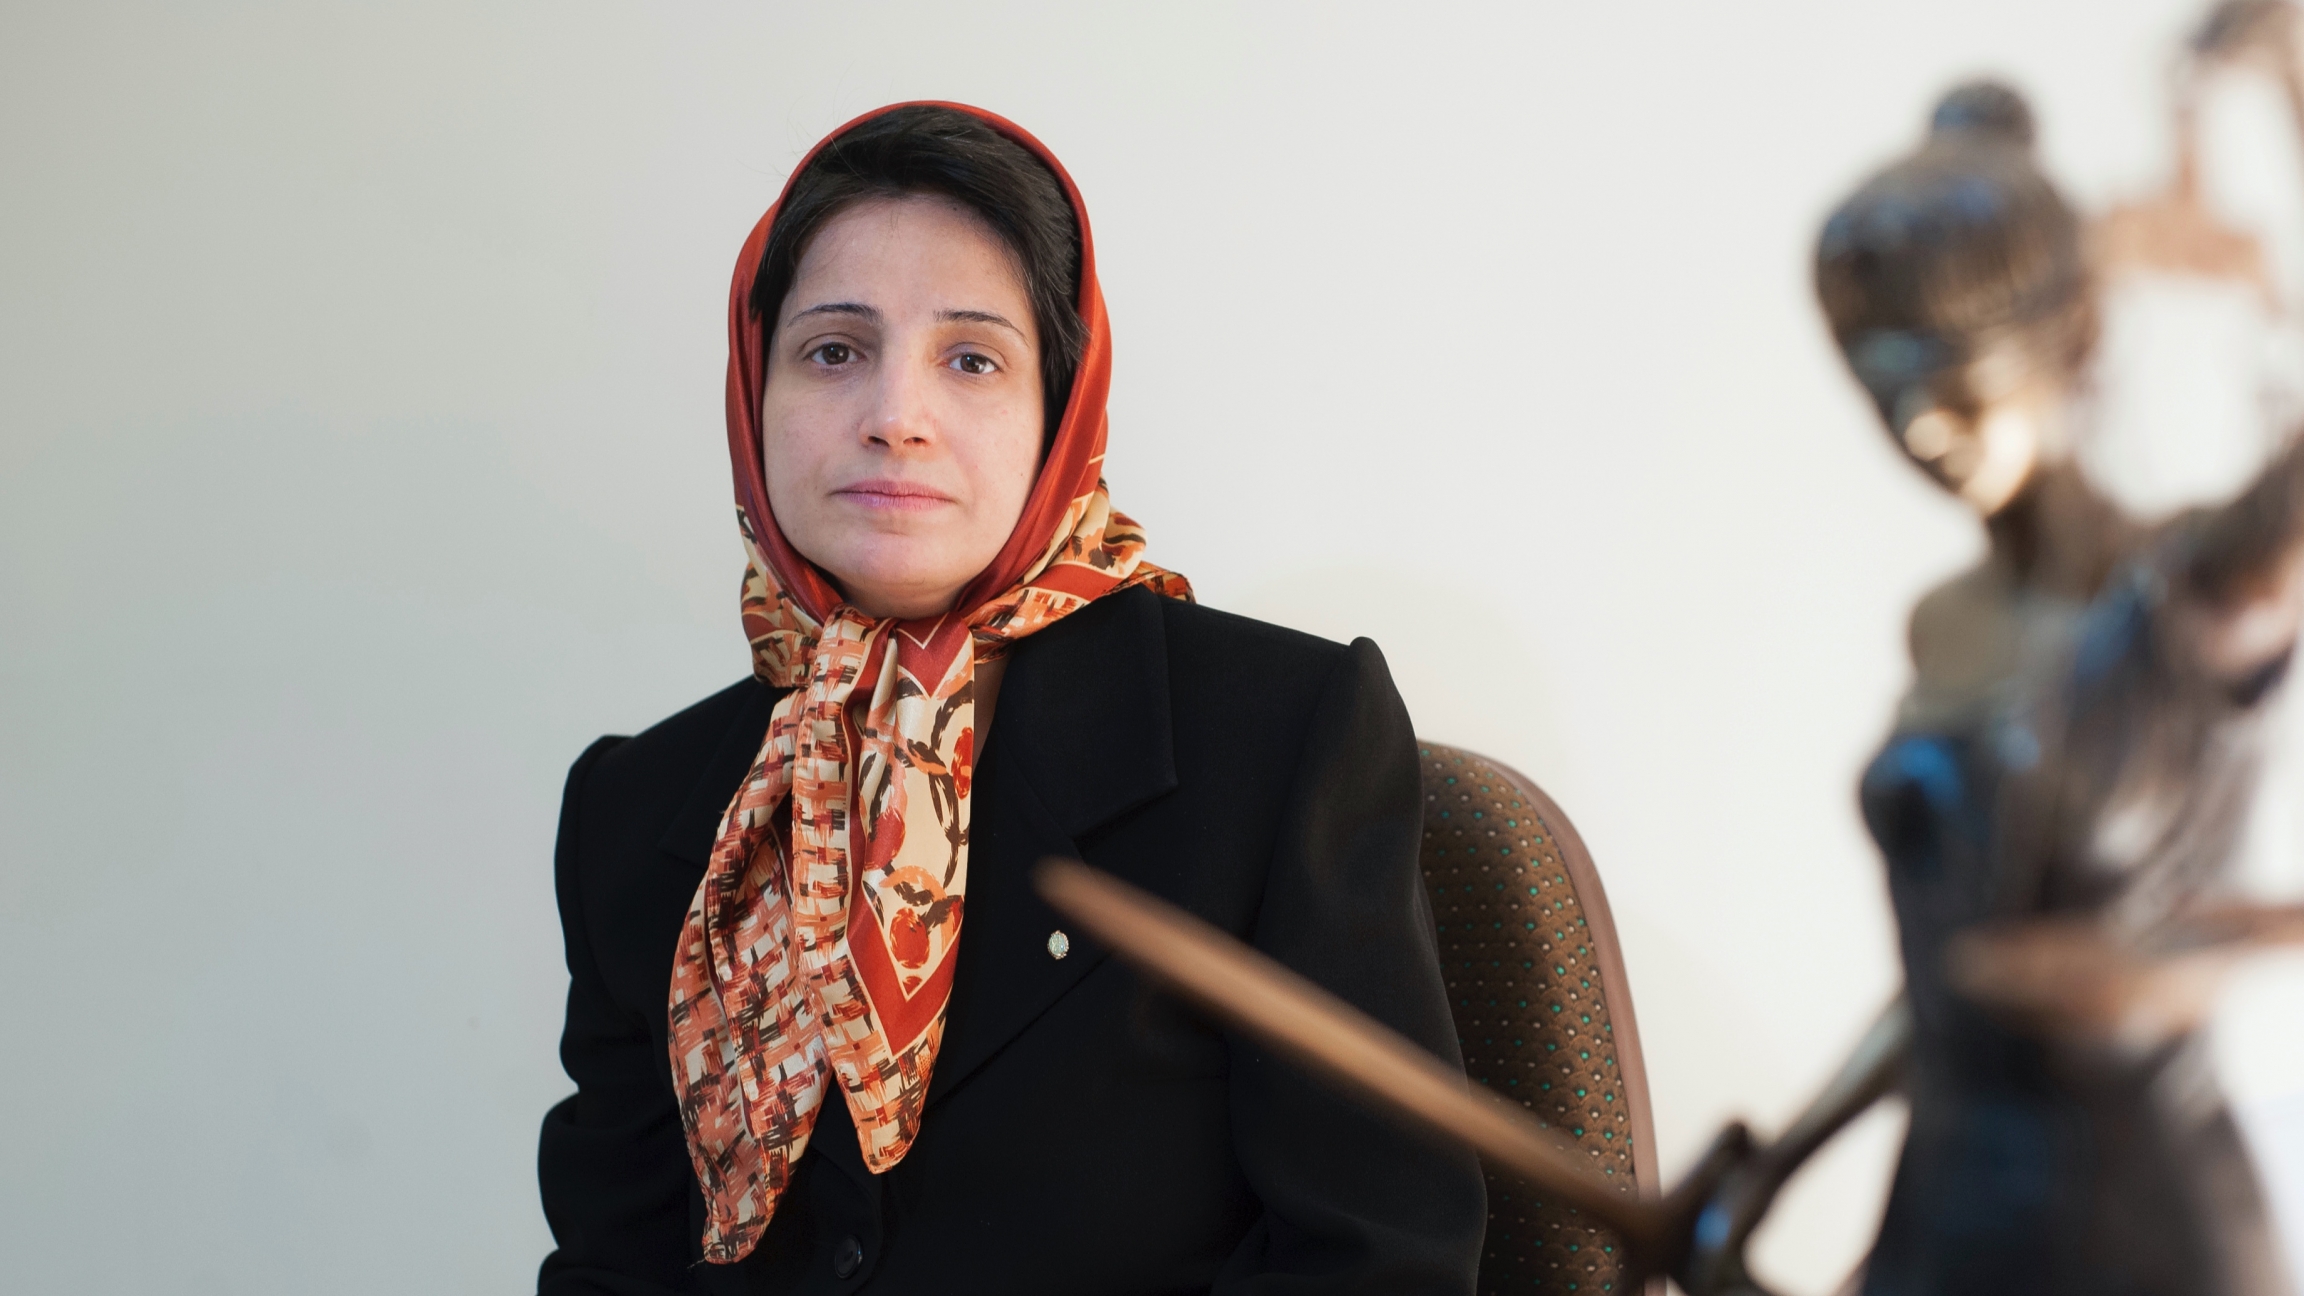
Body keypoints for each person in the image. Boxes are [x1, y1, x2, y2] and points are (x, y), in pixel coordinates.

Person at [533, 102, 1485, 1296]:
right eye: (834, 350)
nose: (896, 416)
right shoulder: (640, 810)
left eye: (971, 358)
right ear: (753, 387)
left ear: (1061, 412)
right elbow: (613, 1269)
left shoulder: (1284, 734)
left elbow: (1382, 1260)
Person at [1814, 83, 2291, 1296]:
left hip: (2130, 1227)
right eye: (1888, 395)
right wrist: (1786, 1155)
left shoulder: (2193, 604)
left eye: (1961, 387)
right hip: (1948, 1193)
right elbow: (1943, 978)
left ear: (2066, 346)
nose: (1924, 430)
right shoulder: (1946, 623)